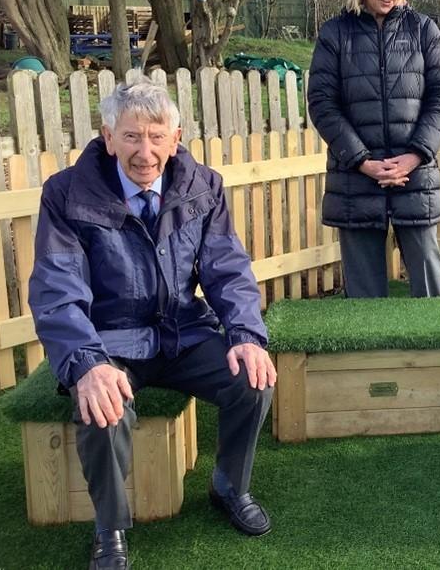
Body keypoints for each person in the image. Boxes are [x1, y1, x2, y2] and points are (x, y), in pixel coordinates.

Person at [29, 78, 276, 570]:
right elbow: (58, 290)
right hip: (109, 340)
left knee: (254, 380)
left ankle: (229, 486)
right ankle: (111, 528)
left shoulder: (203, 185)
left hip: (184, 330)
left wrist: (247, 335)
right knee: (102, 409)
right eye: (132, 137)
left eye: (157, 137)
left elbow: (227, 269)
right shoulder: (65, 194)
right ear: (107, 136)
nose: (146, 152)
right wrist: (86, 364)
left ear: (176, 137)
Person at [307, 0, 440, 298]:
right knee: (364, 297)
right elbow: (323, 103)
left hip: (414, 177)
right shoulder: (335, 34)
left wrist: (415, 155)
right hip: (355, 179)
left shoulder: (423, 31)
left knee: (430, 288)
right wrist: (362, 162)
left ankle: (437, 353)